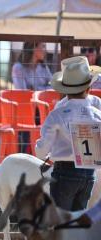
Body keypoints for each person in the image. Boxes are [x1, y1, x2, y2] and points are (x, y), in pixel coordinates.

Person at [35, 56, 101, 211]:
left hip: (64, 172)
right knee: (77, 219)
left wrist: (42, 154)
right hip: (89, 174)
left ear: (65, 89)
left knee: (61, 221)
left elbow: (42, 148)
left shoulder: (57, 114)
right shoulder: (98, 114)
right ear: (88, 88)